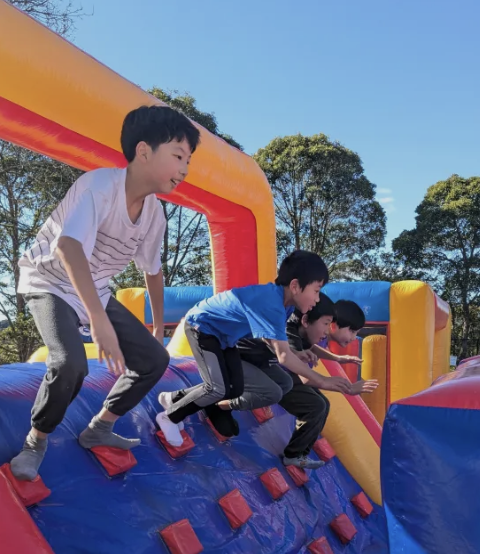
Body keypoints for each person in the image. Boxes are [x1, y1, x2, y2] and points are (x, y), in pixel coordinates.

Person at [10, 105, 200, 481]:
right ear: (144, 151)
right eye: (178, 156)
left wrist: (158, 328)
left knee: (154, 361)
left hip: (93, 288)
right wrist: (97, 318)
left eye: (188, 160)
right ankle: (36, 440)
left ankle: (99, 426)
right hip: (49, 282)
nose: (185, 168)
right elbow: (68, 248)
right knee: (69, 363)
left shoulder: (154, 215)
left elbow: (154, 271)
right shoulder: (99, 187)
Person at [157, 250, 355, 445]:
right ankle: (169, 417)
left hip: (226, 338)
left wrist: (295, 352)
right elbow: (283, 357)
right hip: (203, 328)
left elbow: (271, 339)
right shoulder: (271, 303)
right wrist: (322, 380)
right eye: (316, 291)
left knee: (234, 388)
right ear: (295, 286)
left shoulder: (284, 305)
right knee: (218, 387)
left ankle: (174, 398)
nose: (317, 299)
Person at [234, 293, 378, 469]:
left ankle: (300, 453)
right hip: (273, 373)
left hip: (280, 372)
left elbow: (311, 348)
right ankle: (293, 454)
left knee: (322, 403)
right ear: (332, 324)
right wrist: (345, 387)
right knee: (316, 405)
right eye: (352, 331)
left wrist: (337, 358)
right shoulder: (293, 333)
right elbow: (304, 377)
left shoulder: (314, 332)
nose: (354, 337)